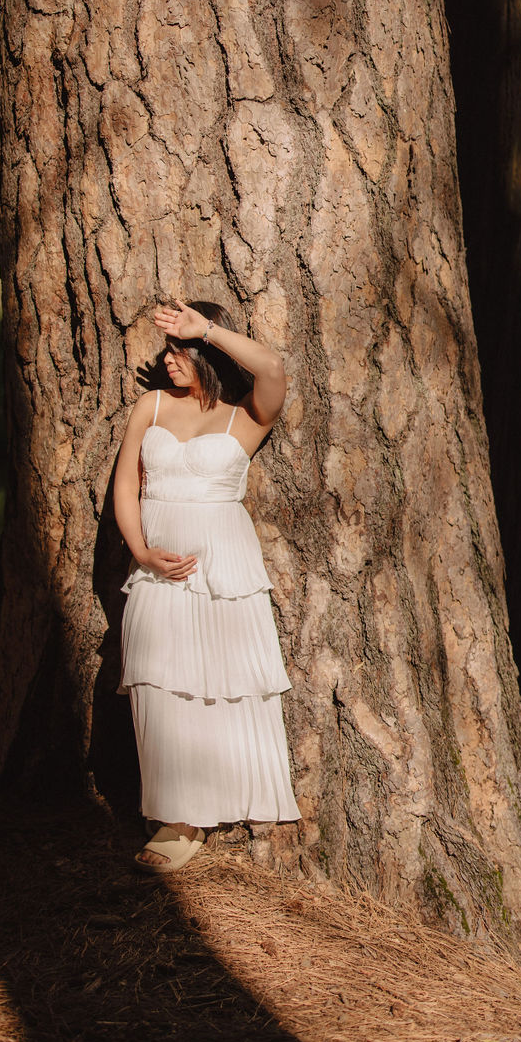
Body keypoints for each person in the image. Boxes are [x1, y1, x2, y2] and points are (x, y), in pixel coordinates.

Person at [114, 298, 300, 872]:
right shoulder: (149, 407)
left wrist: (208, 329)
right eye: (167, 351)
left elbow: (274, 372)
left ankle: (214, 802)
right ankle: (176, 818)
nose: (169, 361)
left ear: (205, 352)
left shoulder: (244, 416)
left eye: (180, 351)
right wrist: (143, 553)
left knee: (219, 685)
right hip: (156, 569)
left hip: (223, 571)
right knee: (159, 685)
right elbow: (124, 488)